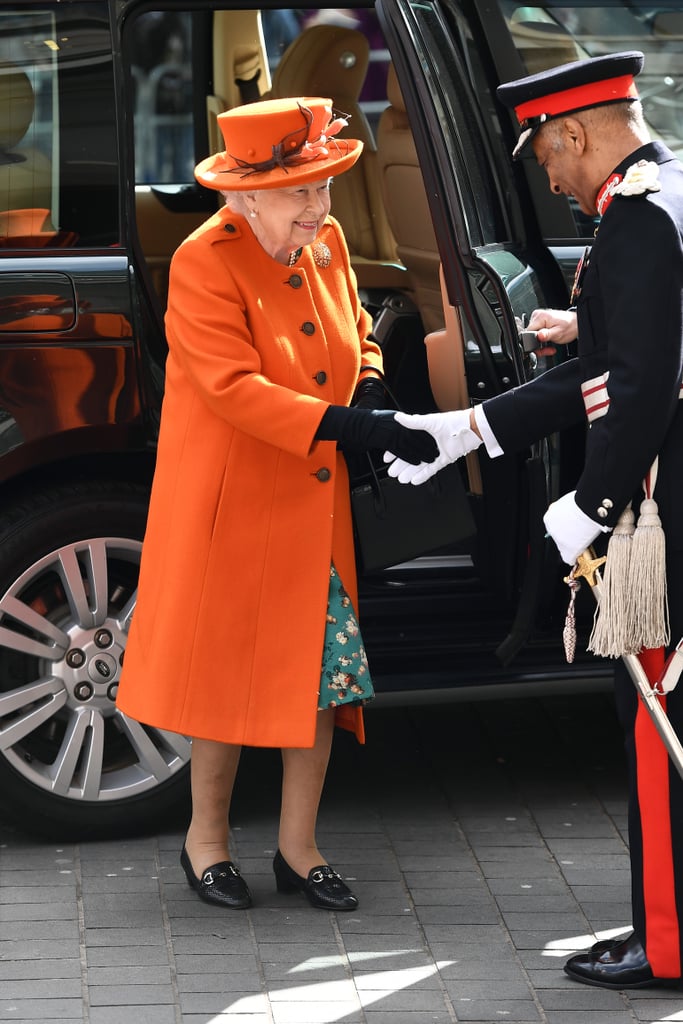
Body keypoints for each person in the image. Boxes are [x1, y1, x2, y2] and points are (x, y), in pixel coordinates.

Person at [384, 51, 683, 989]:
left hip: (658, 513)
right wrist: (468, 427)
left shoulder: (636, 221)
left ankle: (667, 944)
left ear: (574, 132)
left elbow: (640, 387)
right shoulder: (664, 191)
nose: (545, 176)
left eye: (544, 156)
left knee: (654, 723)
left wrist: (588, 504)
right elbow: (630, 353)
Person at [116, 96, 437, 912]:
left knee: (322, 678)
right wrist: (348, 425)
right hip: (235, 505)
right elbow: (231, 390)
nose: (319, 206)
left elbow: (356, 328)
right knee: (225, 680)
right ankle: (208, 843)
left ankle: (300, 849)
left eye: (324, 186)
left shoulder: (321, 241)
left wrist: (367, 379)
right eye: (300, 190)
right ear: (246, 194)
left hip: (312, 507)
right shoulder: (204, 259)